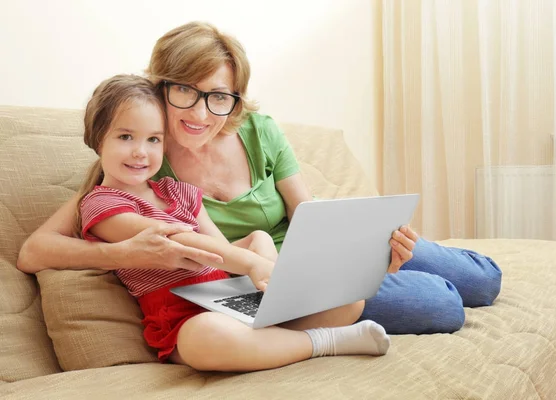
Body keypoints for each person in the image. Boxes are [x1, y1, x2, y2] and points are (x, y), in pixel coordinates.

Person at [17, 21, 501, 337]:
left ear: (236, 99)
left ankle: (393, 261)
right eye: (185, 90)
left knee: (483, 281)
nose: (201, 113)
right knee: (442, 305)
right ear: (159, 87)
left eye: (219, 96)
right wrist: (121, 253)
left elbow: (308, 213)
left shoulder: (257, 131)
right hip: (271, 285)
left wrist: (365, 255)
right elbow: (35, 249)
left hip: (311, 255)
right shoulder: (142, 160)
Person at [70, 73, 391, 371]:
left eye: (154, 139)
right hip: (183, 316)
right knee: (205, 338)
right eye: (126, 137)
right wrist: (251, 263)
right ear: (97, 139)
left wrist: (262, 265)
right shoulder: (101, 204)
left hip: (229, 296)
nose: (141, 152)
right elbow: (180, 241)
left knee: (348, 299)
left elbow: (220, 250)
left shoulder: (177, 191)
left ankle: (275, 313)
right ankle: (322, 342)